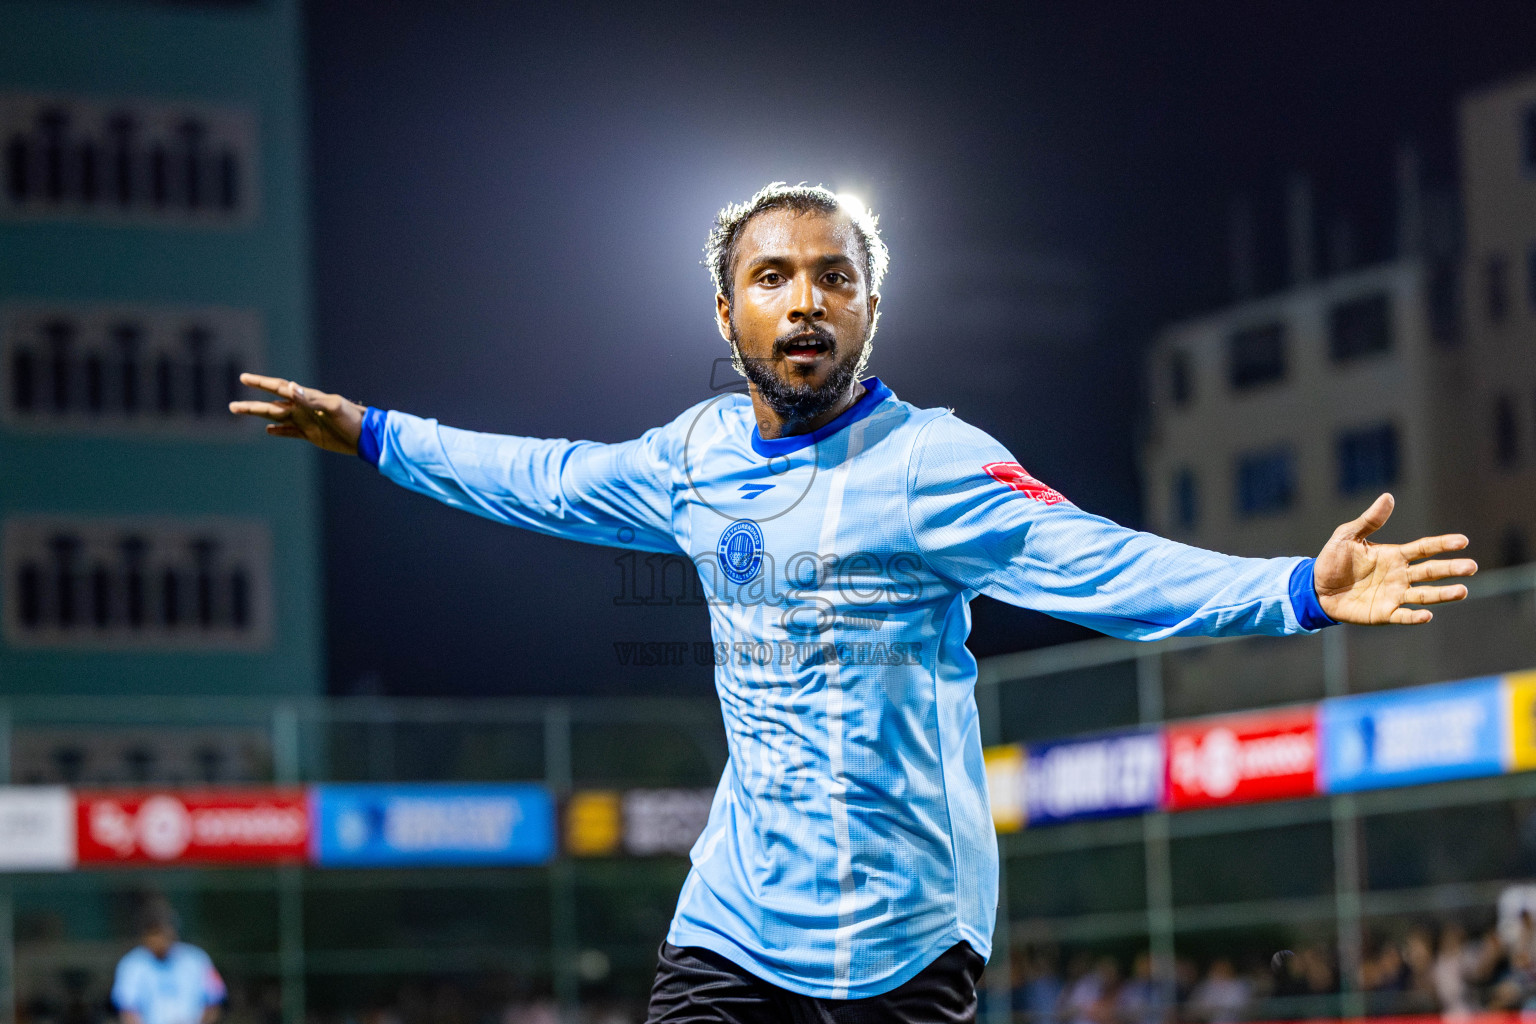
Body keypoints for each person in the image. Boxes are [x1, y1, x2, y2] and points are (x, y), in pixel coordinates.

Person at [231, 183, 1478, 1023]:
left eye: (834, 276)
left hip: (910, 935)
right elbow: (544, 480)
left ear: (871, 310)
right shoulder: (691, 458)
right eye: (772, 277)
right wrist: (374, 433)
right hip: (734, 921)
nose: (806, 298)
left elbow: (1102, 564)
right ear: (728, 316)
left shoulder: (933, 464)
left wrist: (1297, 590)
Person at [111, 902, 226, 1024]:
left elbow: (214, 1004)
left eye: (163, 932)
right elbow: (128, 1011)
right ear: (145, 935)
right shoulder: (131, 965)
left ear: (173, 931)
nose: (159, 939)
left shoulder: (197, 959)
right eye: (154, 933)